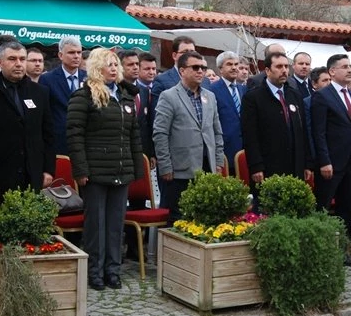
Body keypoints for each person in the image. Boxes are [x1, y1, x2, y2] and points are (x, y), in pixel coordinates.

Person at [68, 48, 144, 291]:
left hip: (121, 171)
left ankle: (113, 270)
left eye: (115, 64)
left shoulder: (125, 96)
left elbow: (134, 137)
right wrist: (80, 169)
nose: (113, 68)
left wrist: (135, 170)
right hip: (95, 172)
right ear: (96, 67)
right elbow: (74, 134)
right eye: (108, 64)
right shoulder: (84, 95)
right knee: (96, 225)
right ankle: (95, 272)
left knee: (115, 224)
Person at [0, 41, 55, 216]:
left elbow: (48, 134)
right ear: (0, 62)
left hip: (32, 172)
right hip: (0, 173)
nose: (18, 63)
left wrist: (48, 169)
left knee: (31, 222)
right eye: (12, 59)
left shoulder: (40, 92)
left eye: (22, 59)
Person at [309, 54, 351, 266]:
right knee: (323, 207)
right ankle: (320, 251)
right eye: (344, 67)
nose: (349, 70)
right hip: (331, 164)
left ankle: (342, 251)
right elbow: (319, 132)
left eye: (350, 66)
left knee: (345, 208)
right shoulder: (322, 96)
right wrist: (324, 161)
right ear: (332, 71)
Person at [153, 51, 223, 220]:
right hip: (180, 170)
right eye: (196, 67)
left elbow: (216, 131)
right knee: (178, 218)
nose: (201, 71)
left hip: (207, 168)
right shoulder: (169, 96)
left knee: (204, 217)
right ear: (182, 71)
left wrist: (219, 161)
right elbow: (160, 133)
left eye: (204, 68)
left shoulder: (210, 96)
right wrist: (165, 166)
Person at [241, 51, 310, 186]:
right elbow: (250, 135)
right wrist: (256, 166)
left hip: (295, 165)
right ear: (267, 70)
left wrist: (307, 163)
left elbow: (303, 132)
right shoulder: (253, 97)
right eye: (279, 67)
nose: (284, 70)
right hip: (269, 166)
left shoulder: (294, 95)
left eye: (286, 66)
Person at [40, 35, 86, 156]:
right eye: (71, 52)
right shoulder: (47, 79)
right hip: (58, 141)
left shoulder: (89, 78)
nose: (76, 56)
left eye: (79, 52)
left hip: (85, 141)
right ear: (60, 55)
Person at [208, 51, 246, 164]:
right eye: (229, 64)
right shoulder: (212, 90)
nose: (234, 68)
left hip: (245, 148)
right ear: (220, 69)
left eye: (236, 64)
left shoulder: (243, 89)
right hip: (225, 150)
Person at [149, 35, 198, 100]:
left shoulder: (205, 81)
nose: (189, 55)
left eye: (192, 52)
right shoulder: (162, 81)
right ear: (174, 56)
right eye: (185, 52)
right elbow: (156, 109)